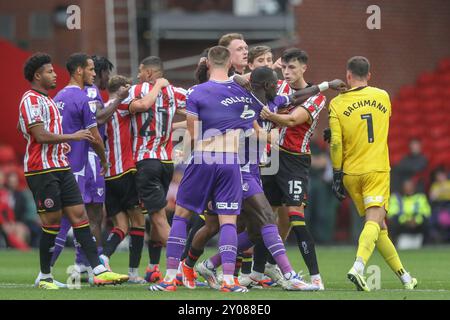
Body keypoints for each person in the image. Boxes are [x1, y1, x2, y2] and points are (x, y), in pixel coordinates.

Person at [181, 66, 345, 291]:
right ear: (267, 86)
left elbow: (296, 96)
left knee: (254, 230)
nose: (279, 88)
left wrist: (327, 85)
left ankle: (208, 265)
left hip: (254, 171)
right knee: (263, 218)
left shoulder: (272, 102)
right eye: (275, 84)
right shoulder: (241, 103)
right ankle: (289, 276)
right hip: (236, 170)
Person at [149, 46, 261, 293]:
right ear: (230, 63)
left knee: (181, 216)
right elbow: (255, 130)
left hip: (203, 157)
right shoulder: (243, 92)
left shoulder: (196, 91)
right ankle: (229, 281)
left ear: (208, 64)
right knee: (229, 222)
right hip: (231, 160)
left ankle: (169, 278)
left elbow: (192, 131)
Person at [19, 52, 128, 289]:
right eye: (49, 71)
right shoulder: (30, 100)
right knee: (53, 223)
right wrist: (75, 136)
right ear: (38, 75)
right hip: (42, 169)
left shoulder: (51, 100)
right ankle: (45, 276)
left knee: (80, 217)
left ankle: (98, 269)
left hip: (62, 166)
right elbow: (39, 136)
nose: (54, 74)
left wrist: (67, 142)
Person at [328, 56, 417, 291]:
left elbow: (336, 143)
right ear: (369, 75)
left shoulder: (337, 103)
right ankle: (358, 267)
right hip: (376, 170)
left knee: (379, 227)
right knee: (374, 222)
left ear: (348, 75)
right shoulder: (382, 96)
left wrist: (336, 174)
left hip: (350, 174)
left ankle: (406, 277)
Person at [259, 48, 328, 289]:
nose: (287, 72)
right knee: (264, 216)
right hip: (271, 156)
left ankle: (316, 277)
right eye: (285, 67)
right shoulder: (278, 87)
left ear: (303, 68)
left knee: (294, 217)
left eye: (293, 68)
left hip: (295, 160)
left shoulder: (317, 97)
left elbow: (291, 119)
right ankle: (260, 269)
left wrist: (267, 115)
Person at [121, 56, 187, 283]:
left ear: (149, 73)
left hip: (145, 161)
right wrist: (171, 127)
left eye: (140, 70)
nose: (138, 75)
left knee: (158, 218)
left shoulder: (135, 90)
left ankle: (181, 267)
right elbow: (197, 116)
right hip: (167, 162)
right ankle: (154, 267)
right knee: (157, 216)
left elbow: (136, 108)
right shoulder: (176, 92)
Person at [98, 75, 169, 283]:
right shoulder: (123, 105)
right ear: (122, 89)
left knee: (121, 224)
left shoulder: (105, 107)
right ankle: (133, 273)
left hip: (110, 174)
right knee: (138, 222)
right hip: (126, 171)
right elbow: (146, 104)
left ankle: (103, 257)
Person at [49, 53, 108, 281]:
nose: (95, 73)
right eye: (91, 69)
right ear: (79, 71)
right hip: (78, 166)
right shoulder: (82, 98)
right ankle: (47, 273)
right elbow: (95, 137)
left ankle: (91, 267)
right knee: (72, 219)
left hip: (63, 163)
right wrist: (104, 160)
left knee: (73, 218)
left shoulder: (58, 97)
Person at [388, 179, 431, 247]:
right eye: (406, 187)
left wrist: (416, 220)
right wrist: (405, 220)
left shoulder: (420, 197)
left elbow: (426, 212)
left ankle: (426, 246)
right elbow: (391, 213)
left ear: (414, 187)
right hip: (402, 224)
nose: (408, 188)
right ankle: (393, 246)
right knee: (393, 222)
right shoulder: (396, 198)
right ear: (402, 188)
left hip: (417, 224)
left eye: (410, 186)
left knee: (427, 222)